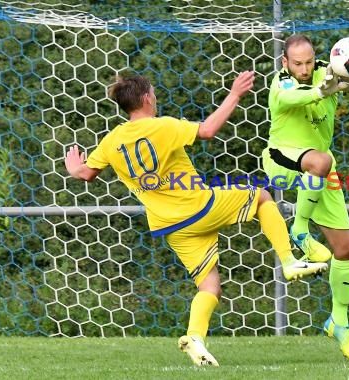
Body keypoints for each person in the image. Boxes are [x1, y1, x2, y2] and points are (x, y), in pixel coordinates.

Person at [64, 71, 327, 367]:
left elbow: (86, 173)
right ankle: (289, 261)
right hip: (197, 206)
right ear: (147, 98)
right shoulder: (162, 126)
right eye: (154, 93)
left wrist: (74, 167)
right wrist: (235, 94)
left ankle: (195, 338)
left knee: (209, 286)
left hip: (171, 226)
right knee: (262, 197)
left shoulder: (112, 141)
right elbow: (207, 131)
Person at [262, 34, 349, 362]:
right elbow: (293, 100)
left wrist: (348, 72)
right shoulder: (280, 84)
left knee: (347, 249)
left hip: (319, 168)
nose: (304, 69)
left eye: (308, 62)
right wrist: (323, 89)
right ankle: (300, 230)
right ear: (285, 62)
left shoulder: (326, 70)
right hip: (281, 158)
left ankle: (339, 322)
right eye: (297, 63)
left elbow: (348, 80)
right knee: (321, 160)